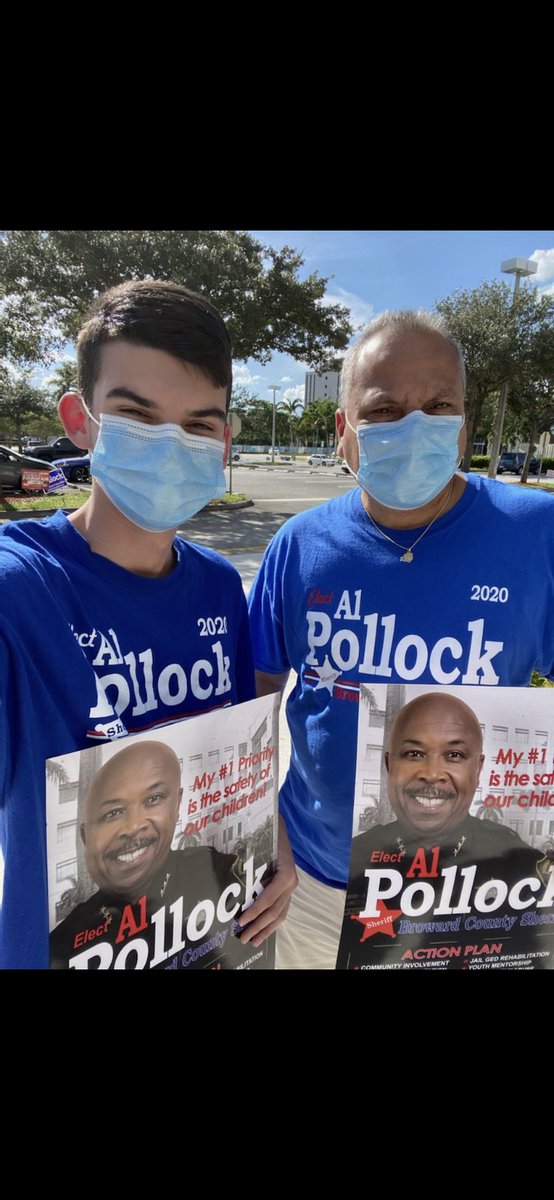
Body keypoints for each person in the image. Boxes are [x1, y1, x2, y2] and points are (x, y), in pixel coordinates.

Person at [0, 279, 296, 969]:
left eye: (198, 425)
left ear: (224, 439)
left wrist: (271, 838)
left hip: (206, 938)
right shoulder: (20, 591)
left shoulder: (220, 588)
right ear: (81, 420)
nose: (172, 446)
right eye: (137, 416)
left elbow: (242, 756)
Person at [247, 309, 554, 969]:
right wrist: (262, 834)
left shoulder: (538, 534)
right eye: (384, 412)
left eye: (438, 405)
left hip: (470, 894)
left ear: (463, 425)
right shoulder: (297, 547)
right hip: (310, 882)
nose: (413, 428)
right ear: (344, 432)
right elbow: (253, 701)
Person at [337, 693, 553, 969]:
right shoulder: (354, 858)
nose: (432, 773)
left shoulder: (518, 860)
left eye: (454, 755)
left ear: (478, 768)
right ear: (389, 765)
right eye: (414, 754)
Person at [50, 740, 270, 970]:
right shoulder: (62, 947)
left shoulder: (219, 871)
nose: (133, 826)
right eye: (112, 813)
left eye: (153, 799)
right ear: (86, 837)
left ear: (178, 803)